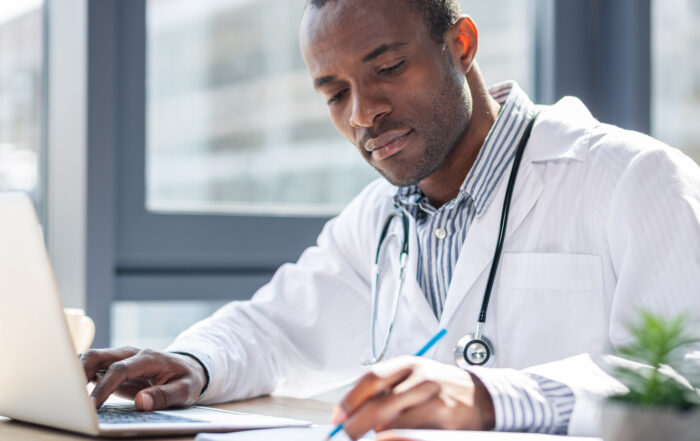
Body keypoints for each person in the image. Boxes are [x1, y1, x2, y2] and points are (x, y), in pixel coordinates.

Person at [81, 0, 700, 438]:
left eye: (387, 68)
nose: (363, 113)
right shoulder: (379, 218)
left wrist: (490, 397)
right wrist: (194, 363)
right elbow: (276, 328)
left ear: (460, 46)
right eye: (335, 92)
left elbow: (683, 382)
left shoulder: (635, 178)